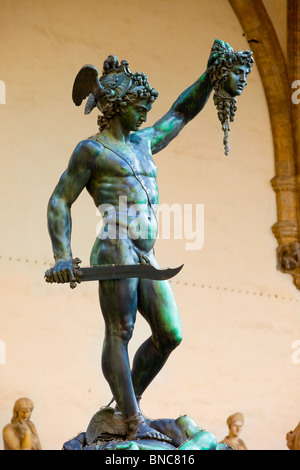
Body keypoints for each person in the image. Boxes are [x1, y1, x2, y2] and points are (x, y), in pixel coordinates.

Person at [46, 40, 253, 442]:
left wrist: (210, 77)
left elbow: (181, 111)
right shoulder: (92, 150)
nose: (146, 110)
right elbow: (59, 200)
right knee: (120, 330)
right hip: (115, 245)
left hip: (146, 252)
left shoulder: (143, 143)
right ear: (118, 103)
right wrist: (60, 255)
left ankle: (128, 407)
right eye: (139, 103)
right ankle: (133, 419)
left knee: (169, 334)